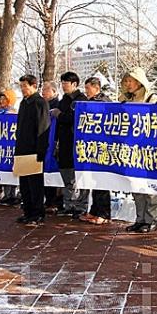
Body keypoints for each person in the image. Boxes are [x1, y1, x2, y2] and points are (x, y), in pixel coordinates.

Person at [120, 68, 157, 233]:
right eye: (126, 81)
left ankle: (151, 219)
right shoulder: (125, 100)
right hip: (131, 149)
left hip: (149, 149)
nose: (127, 84)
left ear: (139, 81)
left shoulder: (152, 99)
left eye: (130, 81)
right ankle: (140, 219)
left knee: (149, 186)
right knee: (135, 185)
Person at [14, 75, 51, 225]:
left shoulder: (40, 103)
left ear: (34, 85)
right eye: (21, 86)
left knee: (35, 184)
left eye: (25, 86)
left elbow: (43, 128)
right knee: (24, 184)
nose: (23, 89)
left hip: (34, 149)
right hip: (22, 148)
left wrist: (41, 150)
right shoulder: (23, 103)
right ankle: (27, 211)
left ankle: (37, 213)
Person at [53, 72, 89, 219]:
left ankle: (80, 206)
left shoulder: (81, 100)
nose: (63, 86)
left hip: (76, 142)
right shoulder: (63, 100)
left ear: (74, 84)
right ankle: (69, 204)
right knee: (66, 174)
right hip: (63, 142)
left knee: (78, 176)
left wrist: (59, 115)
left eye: (65, 83)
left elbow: (76, 118)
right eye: (62, 83)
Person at [79, 77, 113, 225]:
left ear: (96, 88)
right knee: (94, 181)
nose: (86, 91)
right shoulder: (89, 102)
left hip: (103, 147)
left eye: (88, 88)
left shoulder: (104, 102)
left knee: (102, 182)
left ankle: (104, 213)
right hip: (91, 146)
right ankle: (94, 210)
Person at [41, 81, 62, 214]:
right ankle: (48, 200)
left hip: (54, 143)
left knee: (54, 173)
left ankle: (55, 201)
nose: (43, 93)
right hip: (44, 143)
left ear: (54, 92)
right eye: (42, 90)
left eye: (46, 90)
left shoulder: (58, 106)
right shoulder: (42, 105)